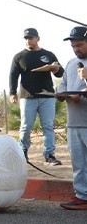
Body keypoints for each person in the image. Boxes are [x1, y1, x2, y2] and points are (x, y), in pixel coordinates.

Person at [9, 27, 64, 165]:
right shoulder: (19, 56)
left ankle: (50, 155)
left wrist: (56, 68)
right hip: (27, 97)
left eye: (31, 38)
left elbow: (60, 73)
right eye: (26, 38)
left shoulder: (49, 54)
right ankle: (23, 153)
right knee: (26, 126)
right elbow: (13, 75)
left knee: (48, 126)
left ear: (38, 38)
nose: (29, 40)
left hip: (47, 96)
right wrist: (12, 93)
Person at [56, 26, 87, 210]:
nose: (76, 49)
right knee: (79, 164)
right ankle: (82, 196)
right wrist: (60, 94)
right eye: (74, 46)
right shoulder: (70, 64)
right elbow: (64, 84)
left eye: (80, 45)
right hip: (74, 123)